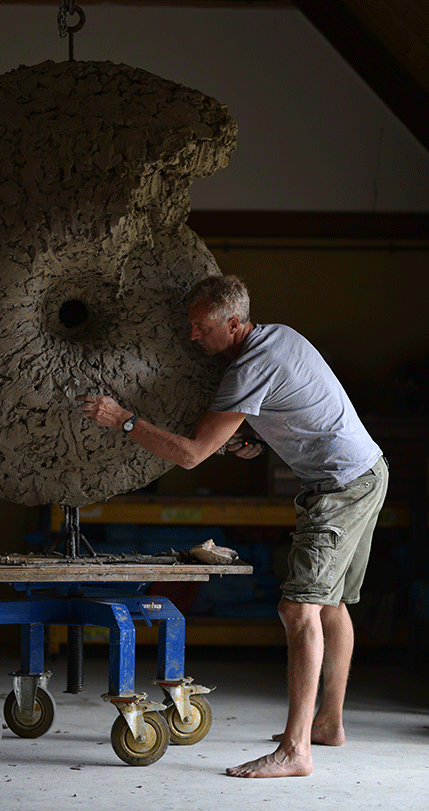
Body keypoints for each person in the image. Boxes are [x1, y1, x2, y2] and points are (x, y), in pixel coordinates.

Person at [79, 273, 388, 779]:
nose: (193, 336)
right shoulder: (280, 335)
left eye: (201, 327)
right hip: (367, 470)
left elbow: (191, 455)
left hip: (338, 487)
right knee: (331, 603)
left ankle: (295, 751)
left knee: (298, 608)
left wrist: (124, 420)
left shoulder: (246, 368)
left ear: (234, 323)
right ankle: (328, 723)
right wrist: (258, 441)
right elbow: (299, 405)